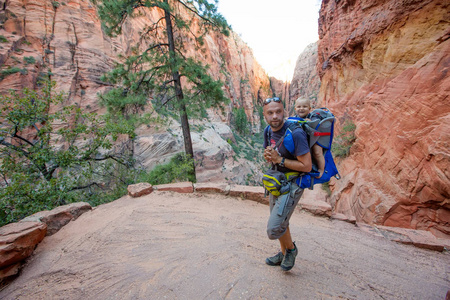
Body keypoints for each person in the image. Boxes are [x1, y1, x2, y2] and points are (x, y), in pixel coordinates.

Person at [262, 97, 312, 271]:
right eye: (270, 112)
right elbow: (270, 154)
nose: (275, 116)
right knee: (282, 221)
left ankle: (291, 250)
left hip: (293, 183)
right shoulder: (268, 131)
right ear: (264, 115)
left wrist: (280, 159)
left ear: (284, 111)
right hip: (277, 182)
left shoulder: (296, 133)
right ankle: (283, 253)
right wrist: (269, 156)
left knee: (273, 228)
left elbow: (306, 166)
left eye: (278, 112)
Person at [294, 97, 325, 178]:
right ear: (295, 108)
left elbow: (315, 122)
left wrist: (309, 121)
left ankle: (321, 170)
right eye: (299, 107)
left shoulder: (313, 116)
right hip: (305, 139)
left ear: (309, 108)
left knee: (317, 152)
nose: (301, 109)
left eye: (304, 107)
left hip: (316, 138)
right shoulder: (295, 117)